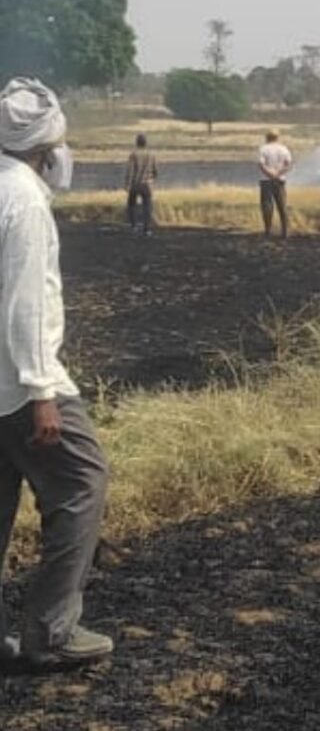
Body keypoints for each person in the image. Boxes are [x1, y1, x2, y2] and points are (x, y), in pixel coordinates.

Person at [0, 78, 112, 667]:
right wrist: (42, 389)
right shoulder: (24, 200)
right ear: (47, 148)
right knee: (81, 480)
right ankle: (52, 631)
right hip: (18, 386)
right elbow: (26, 303)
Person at [258, 130, 292, 239]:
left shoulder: (263, 149)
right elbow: (288, 164)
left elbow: (261, 165)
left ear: (267, 137)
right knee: (282, 205)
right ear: (277, 137)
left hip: (266, 180)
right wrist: (278, 173)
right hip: (280, 179)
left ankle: (268, 230)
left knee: (267, 206)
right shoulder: (284, 149)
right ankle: (285, 231)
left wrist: (270, 174)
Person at [124, 133, 158, 236]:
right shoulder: (151, 155)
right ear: (146, 143)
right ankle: (146, 229)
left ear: (137, 143)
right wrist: (152, 179)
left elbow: (130, 170)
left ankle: (134, 226)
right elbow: (155, 170)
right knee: (147, 206)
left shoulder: (133, 154)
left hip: (135, 183)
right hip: (146, 184)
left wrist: (127, 184)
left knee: (131, 204)